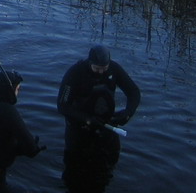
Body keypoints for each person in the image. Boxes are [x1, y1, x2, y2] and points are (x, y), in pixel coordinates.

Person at [57, 45, 141, 193]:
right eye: (97, 69)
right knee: (74, 176)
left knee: (104, 172)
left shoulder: (114, 69)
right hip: (79, 130)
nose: (101, 72)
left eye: (104, 68)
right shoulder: (75, 73)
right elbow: (63, 106)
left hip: (106, 127)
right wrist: (87, 119)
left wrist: (128, 113)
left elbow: (133, 92)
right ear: (90, 63)